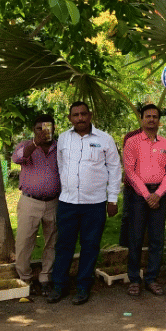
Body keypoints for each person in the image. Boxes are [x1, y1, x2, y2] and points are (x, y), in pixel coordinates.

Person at [48, 102, 122, 306]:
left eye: (83, 114)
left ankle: (82, 287)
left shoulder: (105, 139)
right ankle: (59, 286)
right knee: (64, 245)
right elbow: (61, 165)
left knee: (90, 246)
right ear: (70, 118)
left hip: (95, 203)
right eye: (75, 115)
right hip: (68, 202)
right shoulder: (63, 138)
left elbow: (115, 170)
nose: (79, 118)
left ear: (90, 115)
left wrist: (113, 199)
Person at [123, 104, 166, 296]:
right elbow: (129, 171)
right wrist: (146, 195)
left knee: (156, 239)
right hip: (138, 196)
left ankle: (151, 278)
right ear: (142, 119)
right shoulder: (133, 142)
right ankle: (134, 279)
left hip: (159, 195)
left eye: (155, 116)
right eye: (148, 116)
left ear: (159, 121)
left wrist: (159, 194)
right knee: (135, 238)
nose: (151, 119)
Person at [11, 114, 61, 295]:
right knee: (24, 242)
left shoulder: (60, 147)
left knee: (52, 242)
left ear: (54, 128)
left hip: (54, 202)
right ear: (34, 130)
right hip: (29, 202)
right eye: (39, 128)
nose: (43, 131)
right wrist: (35, 144)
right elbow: (16, 159)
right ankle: (25, 279)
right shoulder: (26, 145)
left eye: (47, 127)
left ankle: (46, 277)